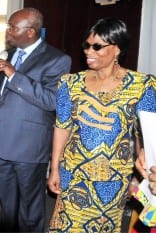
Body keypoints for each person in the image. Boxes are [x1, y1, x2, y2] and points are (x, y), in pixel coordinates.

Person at [0, 7, 71, 232]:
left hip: (29, 147)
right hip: (1, 145)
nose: (8, 32)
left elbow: (51, 100)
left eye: (13, 28)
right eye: (8, 27)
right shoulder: (9, 54)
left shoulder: (57, 60)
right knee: (7, 206)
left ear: (31, 31)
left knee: (30, 209)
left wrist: (14, 75)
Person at [48, 17, 156, 233]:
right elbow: (62, 126)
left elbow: (144, 134)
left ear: (117, 49)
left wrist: (139, 173)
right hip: (73, 174)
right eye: (87, 45)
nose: (89, 51)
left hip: (113, 179)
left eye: (97, 46)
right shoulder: (69, 83)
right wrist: (54, 167)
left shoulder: (142, 86)